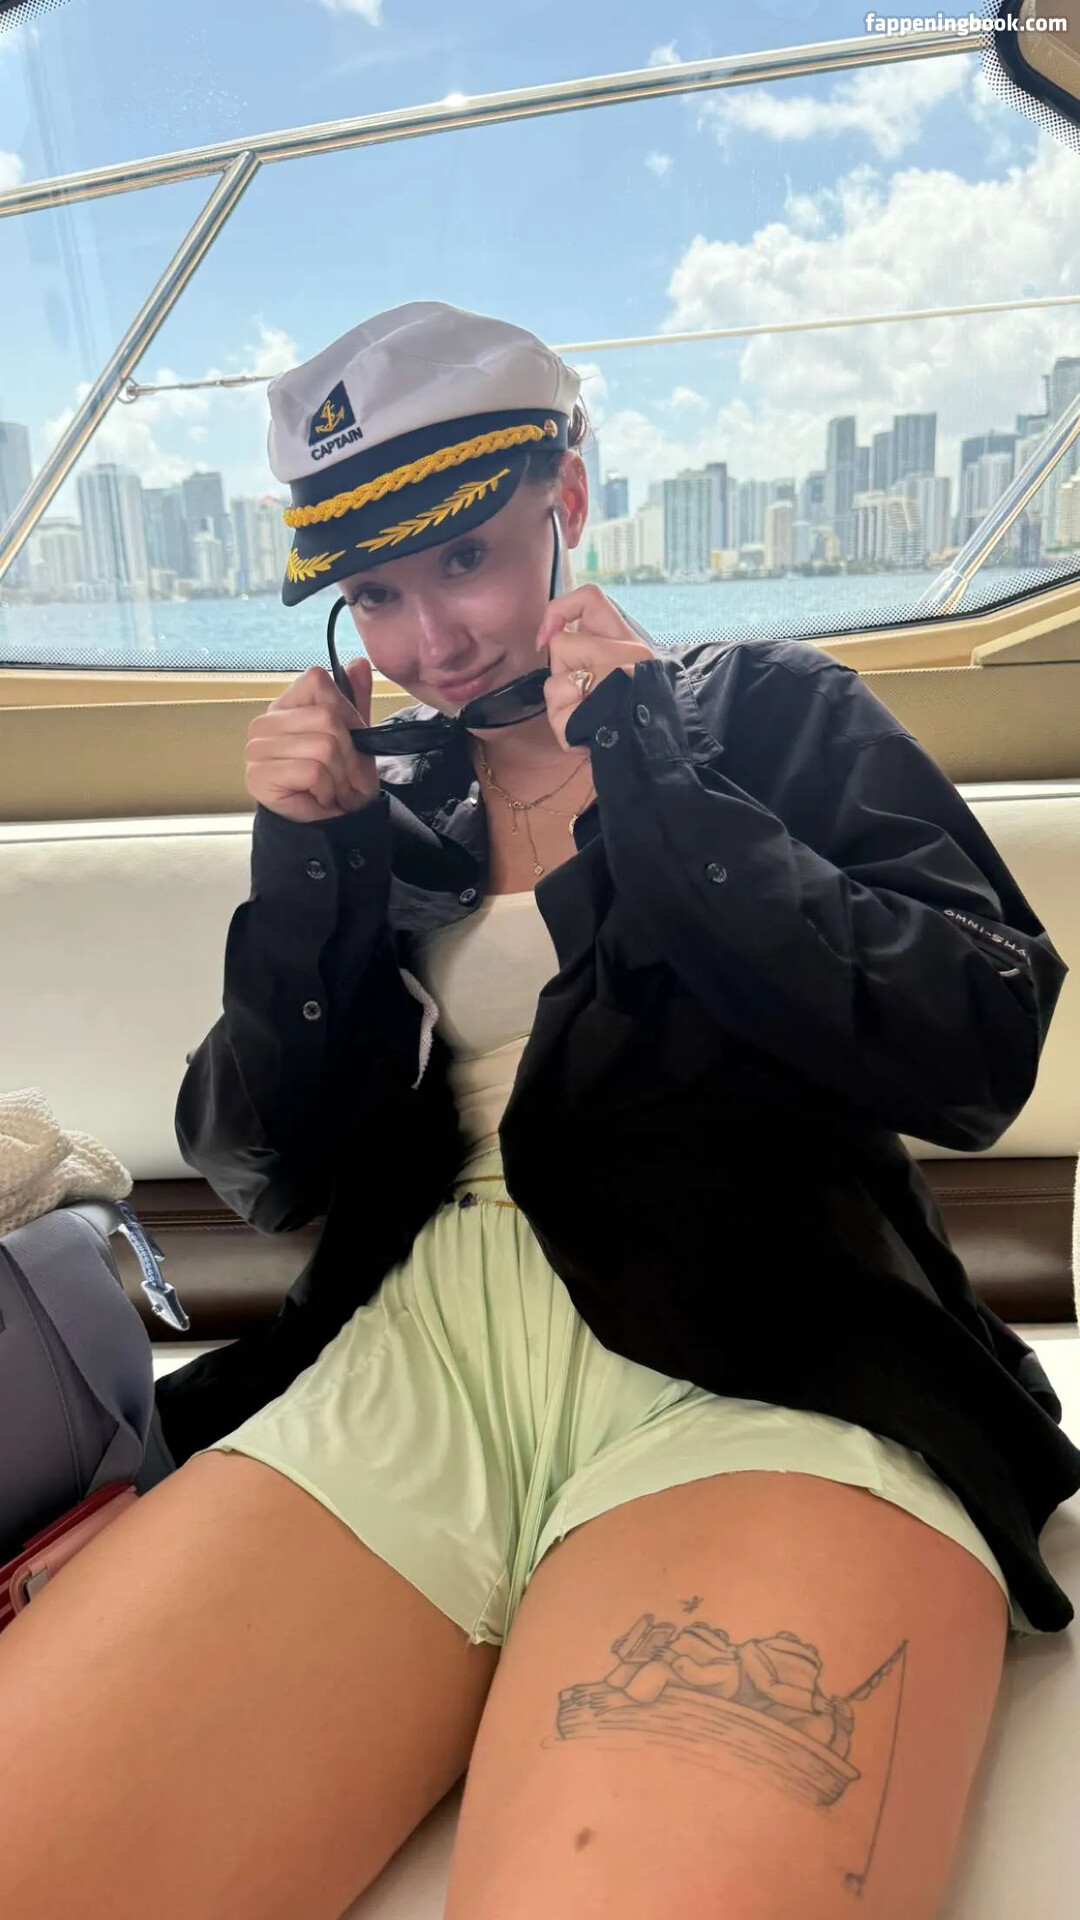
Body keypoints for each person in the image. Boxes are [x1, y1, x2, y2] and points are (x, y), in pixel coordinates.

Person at [0, 299, 1077, 1920]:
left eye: (466, 561)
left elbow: (975, 1043)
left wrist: (656, 782)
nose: (430, 642)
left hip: (764, 1350)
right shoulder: (392, 797)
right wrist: (315, 868)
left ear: (566, 497)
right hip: (407, 1360)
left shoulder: (767, 713)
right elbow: (265, 1168)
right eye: (376, 594)